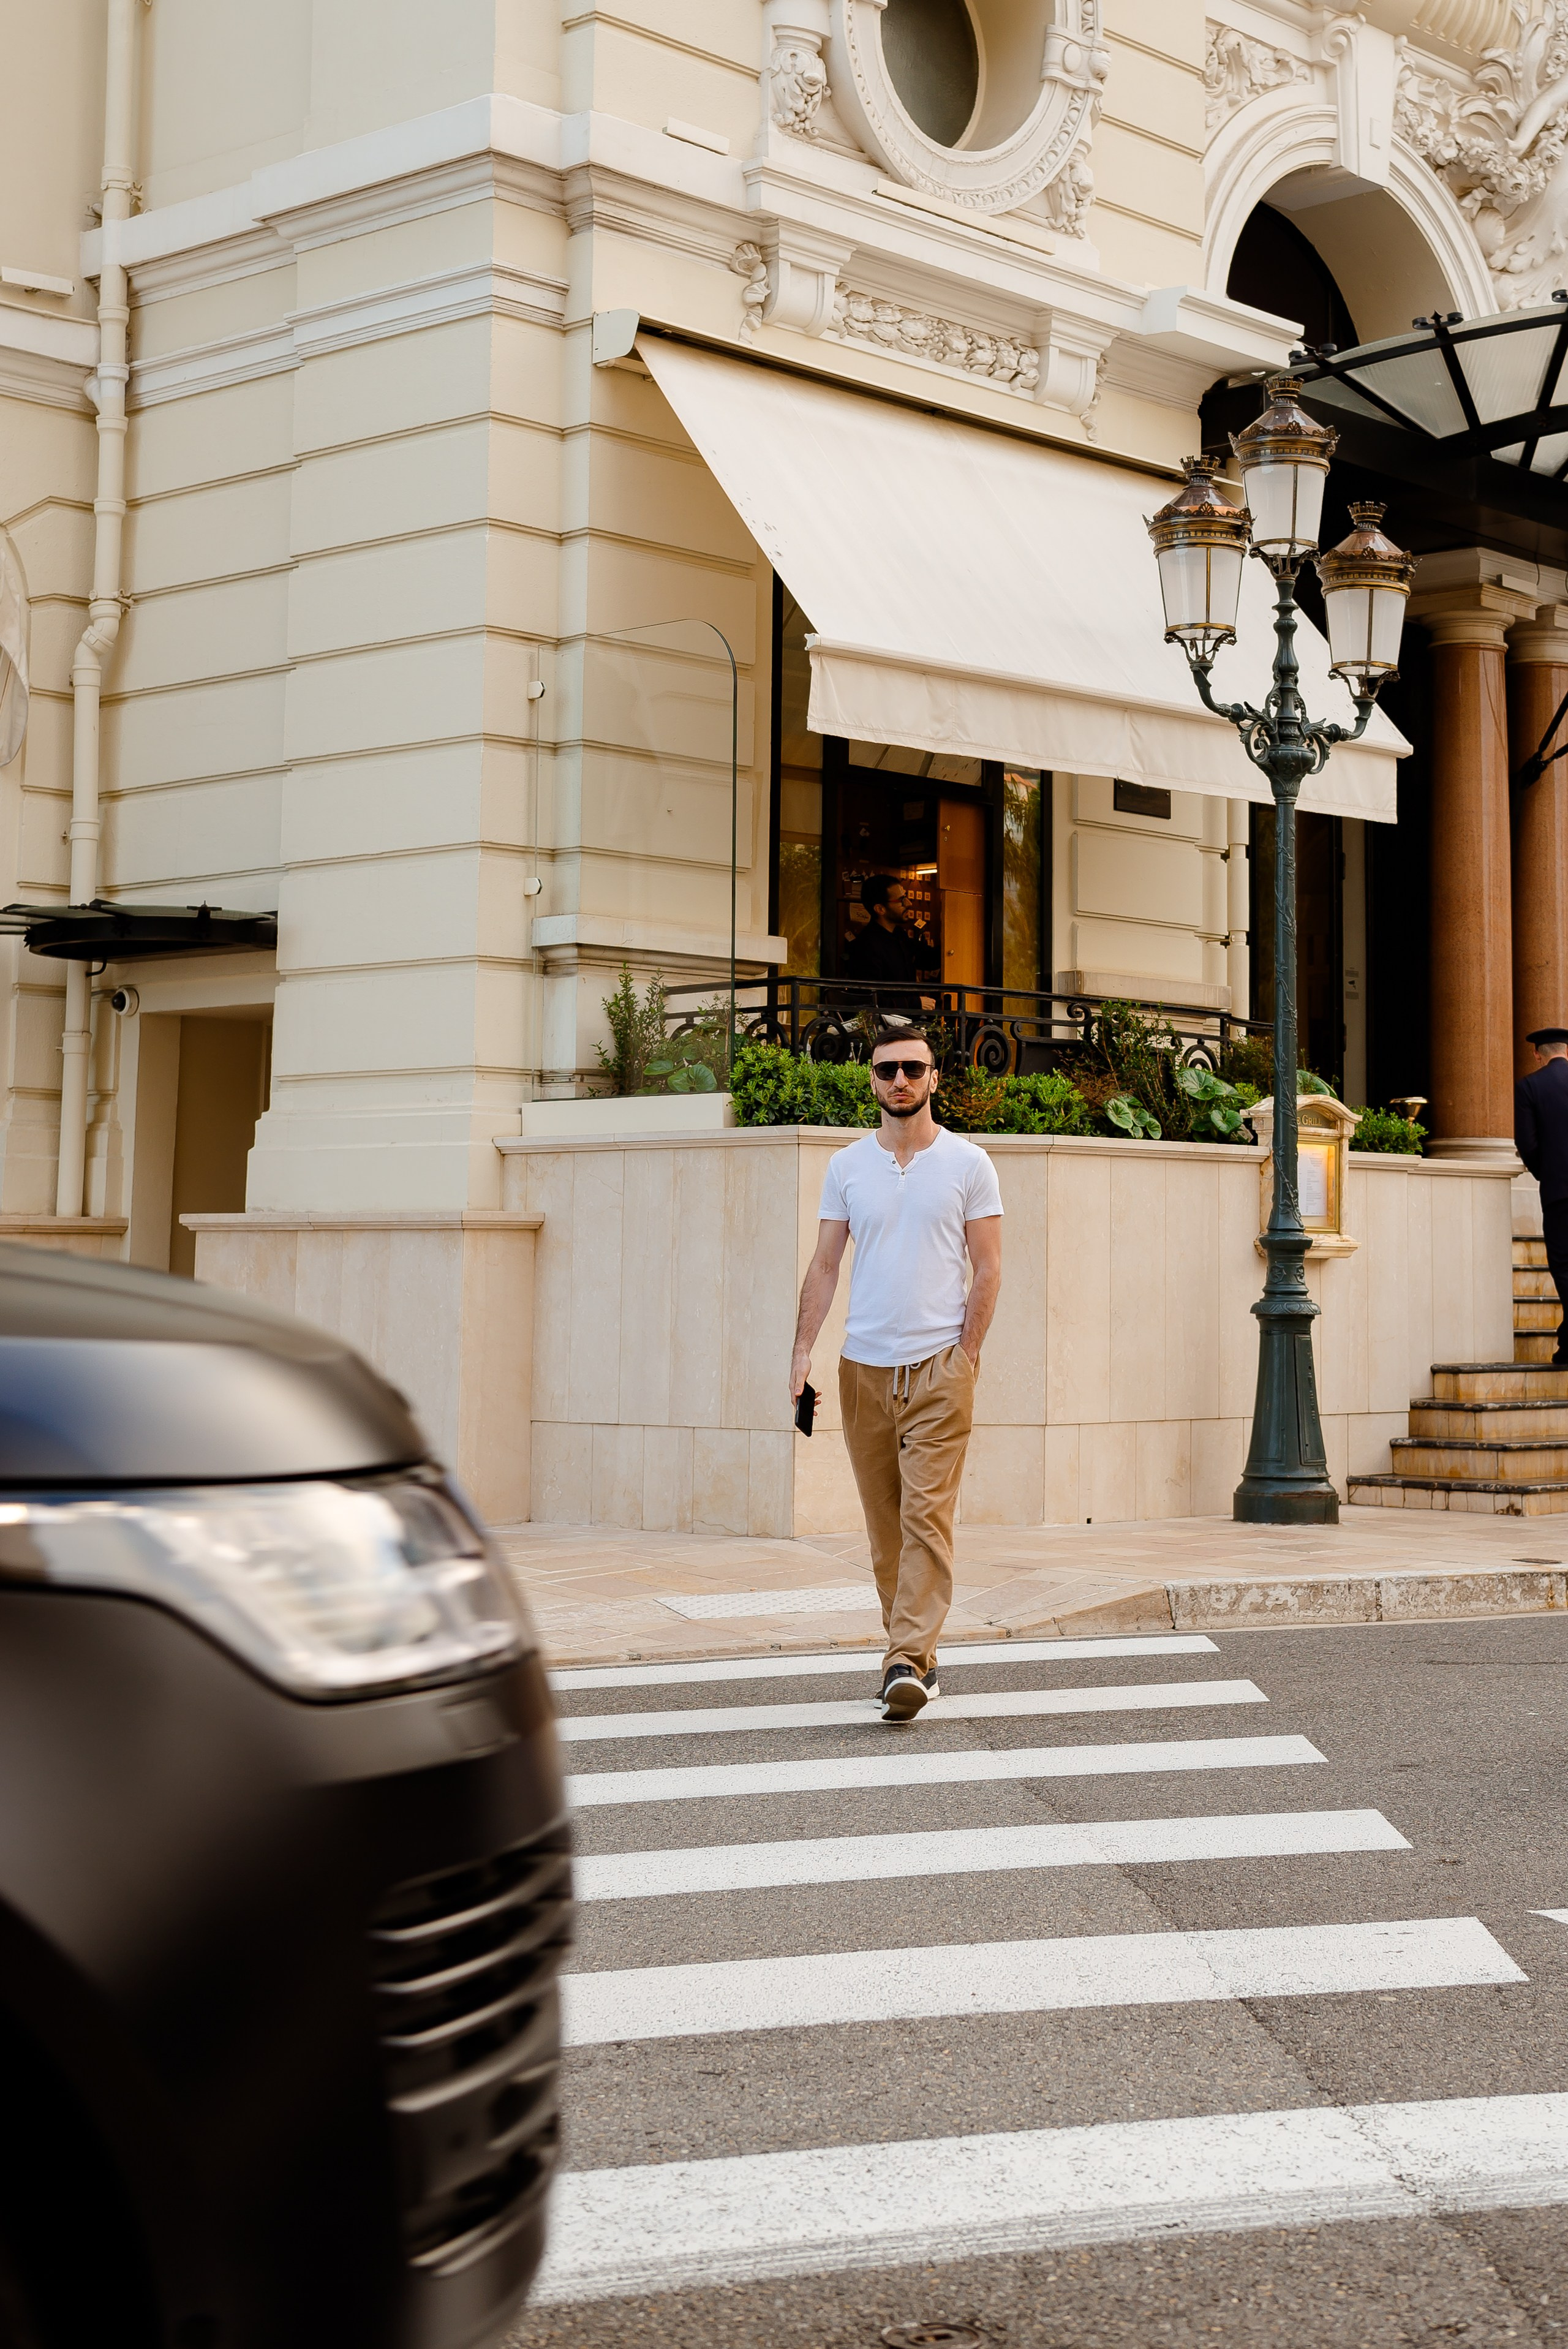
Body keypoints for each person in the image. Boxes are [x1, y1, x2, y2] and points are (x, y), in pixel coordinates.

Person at [790, 1027, 1003, 1719]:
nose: (900, 1080)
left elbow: (989, 1267)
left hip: (939, 1366)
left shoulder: (969, 1163)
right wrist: (802, 1352)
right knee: (886, 1526)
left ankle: (903, 1660)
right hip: (864, 1369)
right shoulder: (847, 1166)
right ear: (873, 1080)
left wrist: (966, 1355)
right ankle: (918, 1657)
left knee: (926, 1516)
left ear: (935, 1078)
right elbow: (825, 1266)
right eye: (888, 1070)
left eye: (913, 1068)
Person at [1516, 1027, 1568, 1366]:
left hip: (1559, 1193)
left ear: (1538, 1053)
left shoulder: (1530, 1086)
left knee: (1564, 1266)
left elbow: (1528, 1144)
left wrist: (1546, 1173)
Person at [842, 874, 934, 1000]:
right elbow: (868, 999)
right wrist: (915, 1004)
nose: (909, 903)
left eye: (906, 897)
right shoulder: (867, 946)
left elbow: (927, 959)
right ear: (880, 909)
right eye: (901, 900)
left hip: (907, 1019)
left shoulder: (899, 935)